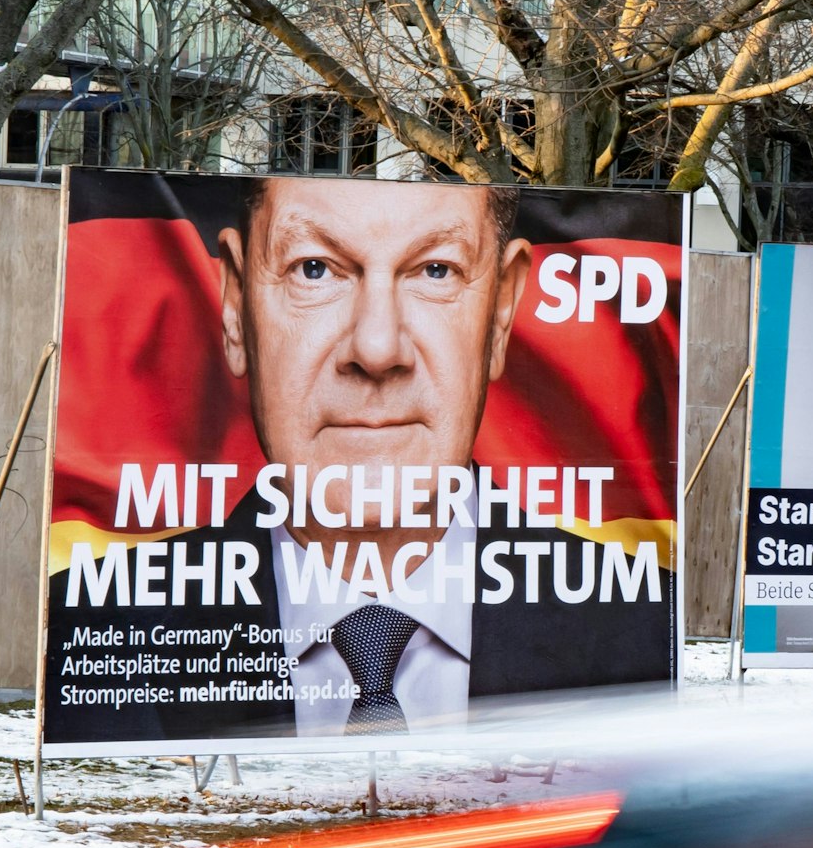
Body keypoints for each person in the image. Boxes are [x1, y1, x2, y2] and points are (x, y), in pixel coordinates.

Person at [45, 176, 673, 743]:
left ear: (502, 313)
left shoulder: (643, 628)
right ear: (236, 306)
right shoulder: (90, 630)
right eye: (313, 269)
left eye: (436, 271)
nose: (376, 348)